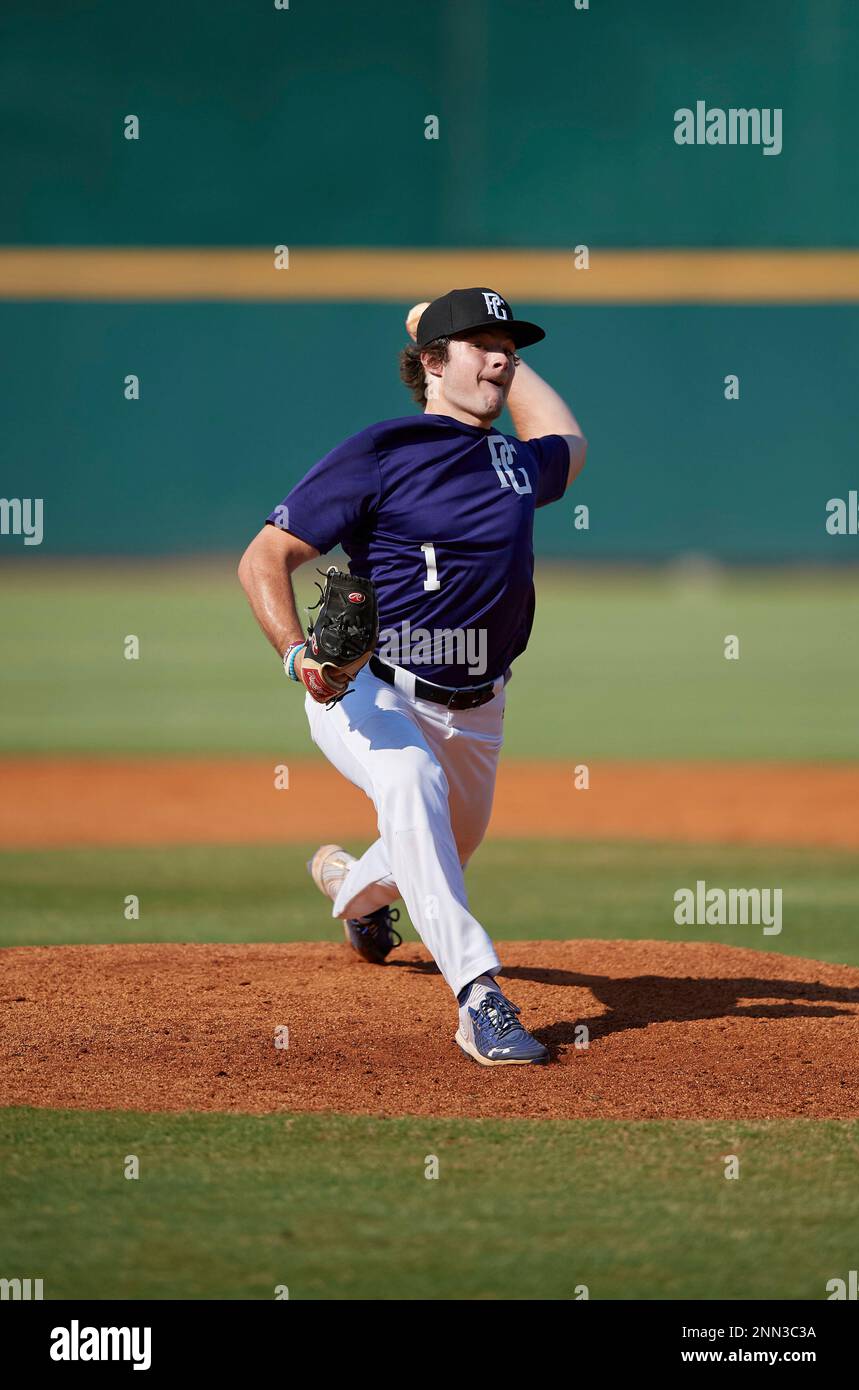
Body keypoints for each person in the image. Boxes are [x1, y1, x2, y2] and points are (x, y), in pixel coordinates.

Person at [238, 287, 586, 1065]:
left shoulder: (514, 461)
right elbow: (264, 557)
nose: (501, 357)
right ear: (431, 363)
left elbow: (569, 437)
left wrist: (497, 365)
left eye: (511, 346)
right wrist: (299, 657)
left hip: (480, 708)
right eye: (479, 345)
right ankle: (480, 996)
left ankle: (352, 895)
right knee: (409, 785)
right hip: (370, 687)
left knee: (434, 846)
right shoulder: (383, 450)